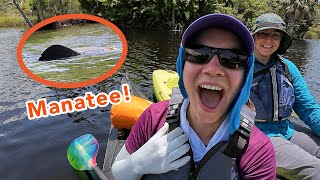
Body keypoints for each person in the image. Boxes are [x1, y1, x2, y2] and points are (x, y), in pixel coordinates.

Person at [112, 13, 276, 179]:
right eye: (198, 54)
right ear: (182, 65)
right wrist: (136, 165)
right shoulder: (154, 118)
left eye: (232, 58)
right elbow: (118, 173)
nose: (212, 69)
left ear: (245, 76)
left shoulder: (257, 151)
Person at [251, 13, 320, 179]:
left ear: (281, 40)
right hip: (256, 135)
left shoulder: (287, 67)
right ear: (252, 37)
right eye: (263, 34)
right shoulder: (238, 67)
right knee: (316, 170)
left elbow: (308, 109)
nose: (269, 41)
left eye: (275, 35)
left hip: (285, 129)